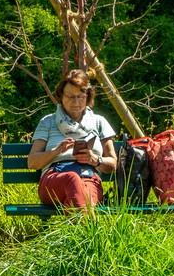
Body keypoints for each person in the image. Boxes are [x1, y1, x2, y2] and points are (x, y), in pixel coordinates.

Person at [27, 68, 117, 209]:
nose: (76, 102)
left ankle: (78, 230)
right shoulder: (48, 122)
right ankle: (89, 230)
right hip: (54, 179)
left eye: (80, 97)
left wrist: (96, 160)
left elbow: (113, 164)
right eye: (70, 97)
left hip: (89, 178)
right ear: (61, 96)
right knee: (73, 179)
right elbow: (32, 162)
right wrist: (55, 152)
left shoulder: (99, 122)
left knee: (79, 198)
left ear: (88, 96)